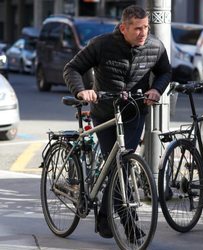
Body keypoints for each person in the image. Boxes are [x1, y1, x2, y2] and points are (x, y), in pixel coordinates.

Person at [63, 5, 172, 240]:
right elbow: (72, 68)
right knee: (115, 167)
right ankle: (128, 228)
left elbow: (165, 72)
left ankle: (105, 217)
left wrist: (156, 89)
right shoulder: (101, 44)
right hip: (105, 112)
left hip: (134, 112)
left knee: (122, 164)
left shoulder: (154, 46)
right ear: (123, 28)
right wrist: (82, 92)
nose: (144, 33)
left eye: (146, 28)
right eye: (137, 28)